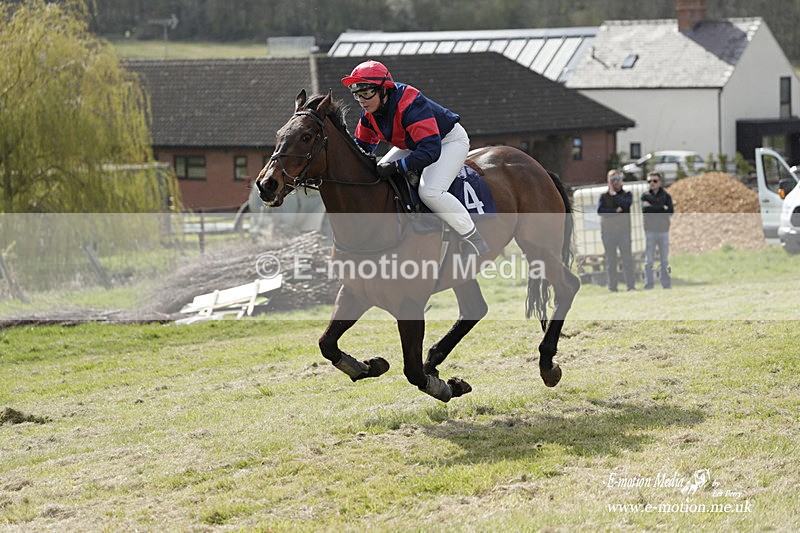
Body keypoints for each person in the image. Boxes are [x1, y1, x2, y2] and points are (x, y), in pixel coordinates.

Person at [341, 60, 489, 258]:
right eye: (357, 94)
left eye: (366, 93)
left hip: (447, 142)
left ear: (384, 90)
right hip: (414, 144)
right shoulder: (369, 113)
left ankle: (473, 238)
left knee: (430, 191)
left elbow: (430, 151)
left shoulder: (410, 103)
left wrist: (398, 167)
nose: (361, 100)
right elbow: (361, 148)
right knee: (379, 174)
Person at [597, 169, 636, 291]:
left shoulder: (627, 194)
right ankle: (612, 287)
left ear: (621, 180)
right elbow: (601, 211)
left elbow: (625, 205)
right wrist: (615, 211)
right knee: (611, 261)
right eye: (613, 179)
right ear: (609, 181)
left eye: (617, 179)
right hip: (608, 234)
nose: (616, 182)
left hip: (624, 232)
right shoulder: (603, 196)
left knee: (627, 260)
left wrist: (614, 195)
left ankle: (631, 286)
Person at [641, 171, 674, 289]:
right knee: (649, 260)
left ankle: (666, 284)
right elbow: (645, 210)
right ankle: (649, 284)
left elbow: (670, 211)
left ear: (660, 182)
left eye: (654, 181)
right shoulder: (645, 196)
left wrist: (653, 207)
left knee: (664, 260)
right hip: (650, 231)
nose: (652, 183)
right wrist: (661, 207)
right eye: (649, 181)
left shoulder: (666, 196)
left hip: (663, 231)